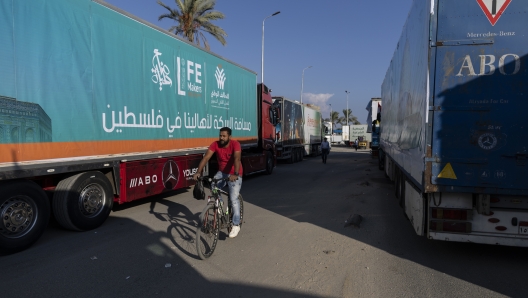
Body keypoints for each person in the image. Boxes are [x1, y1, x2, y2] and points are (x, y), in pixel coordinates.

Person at [193, 127, 243, 238]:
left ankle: (236, 224)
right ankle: (219, 204)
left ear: (229, 137)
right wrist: (198, 172)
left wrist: (235, 173)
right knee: (213, 186)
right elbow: (206, 158)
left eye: (224, 136)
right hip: (222, 173)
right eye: (220, 135)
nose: (221, 138)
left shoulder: (235, 144)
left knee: (234, 198)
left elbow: (237, 158)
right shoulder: (215, 144)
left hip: (235, 173)